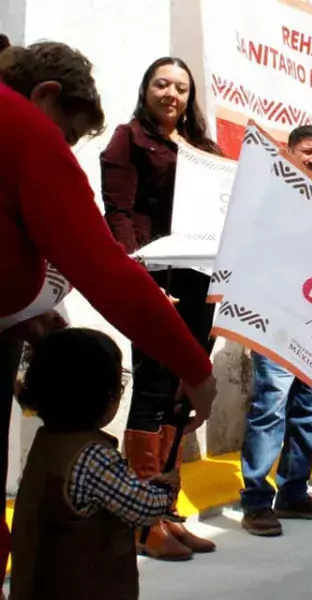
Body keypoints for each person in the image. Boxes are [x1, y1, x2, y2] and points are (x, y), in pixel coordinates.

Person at [0, 38, 217, 579]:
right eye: (67, 135)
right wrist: (198, 369)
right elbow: (103, 262)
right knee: (155, 393)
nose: (65, 149)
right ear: (46, 95)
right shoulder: (22, 126)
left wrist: (23, 313)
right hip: (152, 285)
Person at [100, 57, 219, 560]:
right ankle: (141, 521)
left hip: (201, 280)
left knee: (181, 395)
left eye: (181, 88)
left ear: (191, 99)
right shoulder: (128, 139)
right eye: (161, 84)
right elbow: (119, 213)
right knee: (151, 389)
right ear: (146, 88)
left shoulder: (206, 153)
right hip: (158, 277)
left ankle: (165, 510)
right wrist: (139, 278)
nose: (171, 94)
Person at [10, 329, 179, 600]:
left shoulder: (47, 441)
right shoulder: (94, 457)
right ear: (106, 396)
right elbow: (142, 506)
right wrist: (167, 490)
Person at [239, 125, 312, 537]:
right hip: (275, 321)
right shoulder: (266, 198)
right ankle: (257, 502)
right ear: (288, 152)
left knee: (309, 411)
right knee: (270, 408)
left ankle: (294, 492)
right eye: (307, 151)